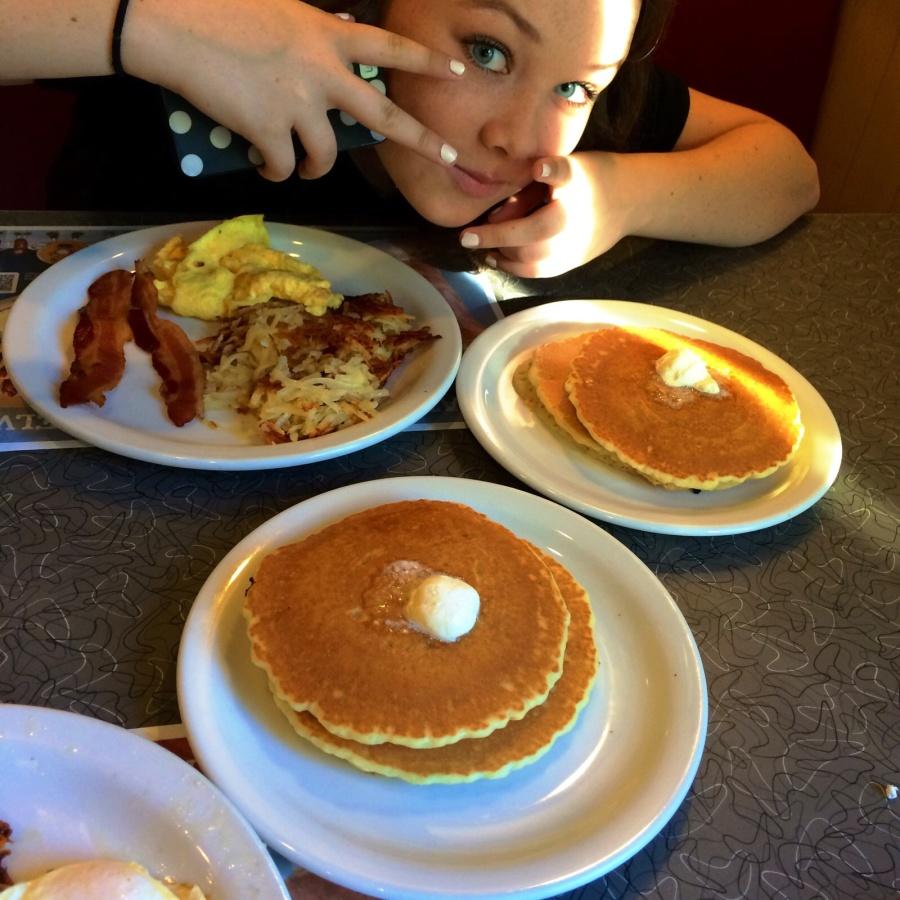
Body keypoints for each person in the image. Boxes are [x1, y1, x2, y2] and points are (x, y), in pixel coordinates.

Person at [0, 0, 820, 278]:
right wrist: (147, 26)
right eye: (487, 50)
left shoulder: (574, 118)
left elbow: (788, 172)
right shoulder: (211, 45)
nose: (521, 138)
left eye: (575, 85)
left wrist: (618, 196)